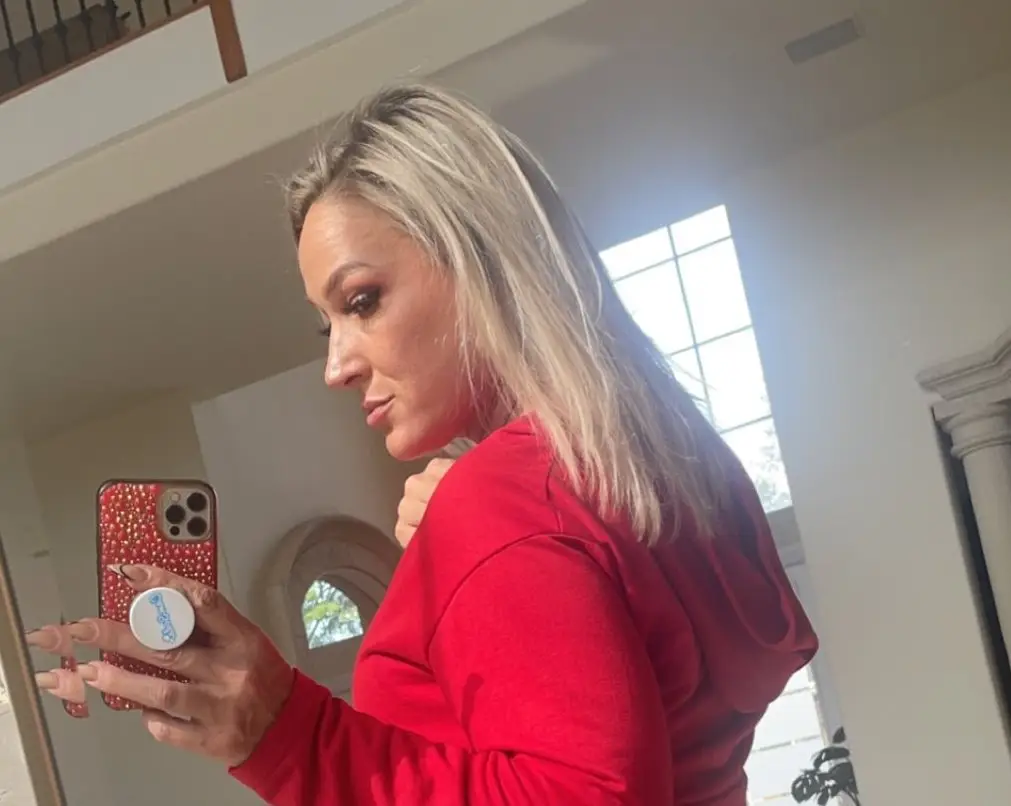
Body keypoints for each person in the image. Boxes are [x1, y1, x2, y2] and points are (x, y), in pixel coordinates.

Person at [27, 84, 817, 805]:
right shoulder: (667, 466)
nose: (336, 366)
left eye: (361, 301)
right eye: (327, 326)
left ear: (480, 256)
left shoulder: (508, 502)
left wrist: (292, 736)